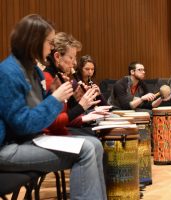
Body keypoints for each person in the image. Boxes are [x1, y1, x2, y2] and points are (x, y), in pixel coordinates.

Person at [0, 14, 107, 200]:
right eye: (49, 42)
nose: (51, 48)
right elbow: (22, 124)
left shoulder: (34, 72)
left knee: (95, 145)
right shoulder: (8, 72)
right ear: (34, 41)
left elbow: (50, 113)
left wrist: (67, 94)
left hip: (31, 140)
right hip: (8, 149)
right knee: (87, 150)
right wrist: (56, 99)